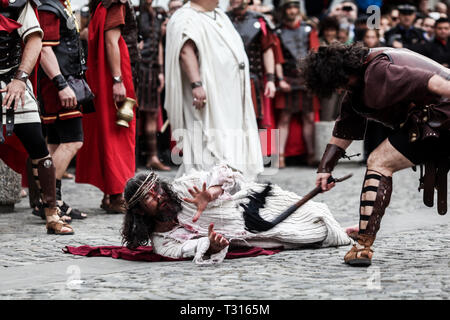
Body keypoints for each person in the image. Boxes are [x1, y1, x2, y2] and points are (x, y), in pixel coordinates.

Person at [301, 43, 450, 266]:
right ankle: (363, 240)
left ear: (342, 74)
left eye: (339, 84)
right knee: (380, 161)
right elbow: (345, 129)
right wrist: (325, 169)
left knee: (379, 162)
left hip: (440, 119)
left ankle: (363, 246)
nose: (340, 89)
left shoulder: (378, 71)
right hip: (434, 122)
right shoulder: (361, 80)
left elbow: (432, 82)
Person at [121, 165, 351, 264]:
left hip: (249, 205)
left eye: (157, 189)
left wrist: (210, 193)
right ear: (140, 210)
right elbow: (186, 250)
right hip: (251, 232)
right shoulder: (162, 242)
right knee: (313, 234)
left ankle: (342, 230)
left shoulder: (184, 188)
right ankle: (343, 233)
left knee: (310, 211)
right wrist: (210, 245)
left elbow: (222, 173)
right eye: (150, 197)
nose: (160, 196)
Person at [164, 0, 264, 180]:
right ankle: (209, 185)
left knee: (231, 137)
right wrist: (196, 84)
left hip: (229, 95)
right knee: (207, 139)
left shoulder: (220, 15)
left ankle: (233, 181)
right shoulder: (185, 17)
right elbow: (185, 51)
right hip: (207, 95)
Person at [0, 0, 73, 234]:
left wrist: (21, 79)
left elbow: (34, 40)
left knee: (39, 148)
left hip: (12, 80)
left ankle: (52, 212)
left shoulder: (18, 3)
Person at [76, 0, 139, 214]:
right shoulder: (115, 4)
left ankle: (110, 194)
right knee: (119, 132)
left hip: (101, 76)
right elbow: (112, 42)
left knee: (108, 132)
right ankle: (117, 195)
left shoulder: (101, 5)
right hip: (113, 74)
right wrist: (118, 80)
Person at [36, 0, 88, 220]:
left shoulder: (57, 4)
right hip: (60, 86)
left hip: (62, 84)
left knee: (55, 143)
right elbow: (45, 49)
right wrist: (62, 85)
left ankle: (52, 201)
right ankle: (48, 202)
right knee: (73, 140)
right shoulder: (49, 7)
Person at [275, 0, 320, 167]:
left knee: (308, 116)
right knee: (284, 117)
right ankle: (280, 157)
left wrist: (313, 78)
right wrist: (280, 79)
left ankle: (312, 155)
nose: (292, 11)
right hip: (288, 78)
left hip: (306, 78)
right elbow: (277, 58)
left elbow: (314, 54)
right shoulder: (278, 32)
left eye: (295, 7)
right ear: (284, 11)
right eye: (289, 8)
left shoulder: (309, 29)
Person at [226, 0, 276, 129]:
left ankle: (263, 150)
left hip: (254, 80)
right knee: (231, 121)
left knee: (260, 121)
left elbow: (267, 50)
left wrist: (270, 79)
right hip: (227, 80)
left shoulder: (260, 20)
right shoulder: (221, 20)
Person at [137, 0, 170, 171]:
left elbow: (158, 44)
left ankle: (153, 157)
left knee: (151, 114)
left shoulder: (158, 16)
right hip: (138, 69)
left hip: (152, 70)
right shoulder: (134, 14)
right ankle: (132, 158)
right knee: (133, 114)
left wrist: (161, 71)